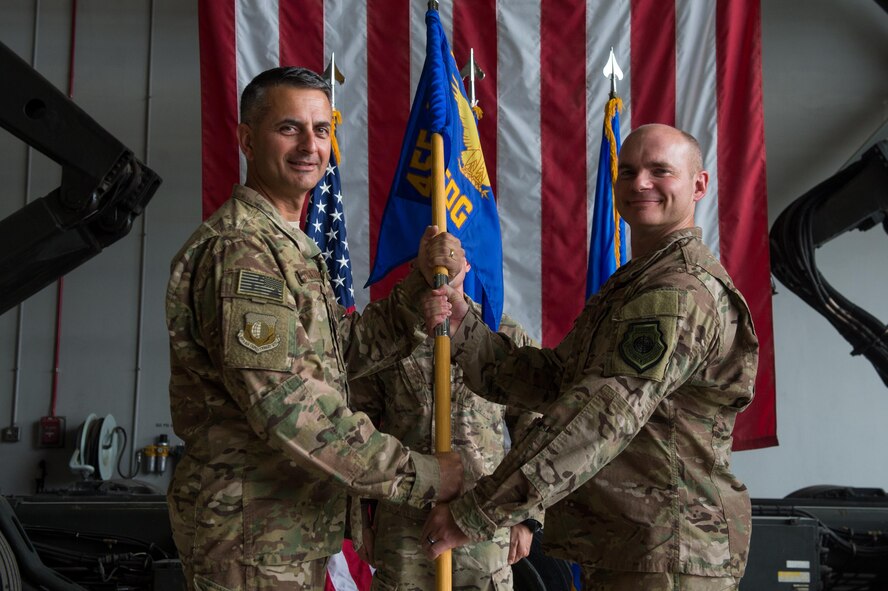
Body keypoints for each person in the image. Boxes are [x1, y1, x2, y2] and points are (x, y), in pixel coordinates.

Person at [420, 124, 759, 590]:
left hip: (669, 555)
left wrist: (478, 513)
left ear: (698, 185)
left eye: (660, 171)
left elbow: (600, 415)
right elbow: (557, 381)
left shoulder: (679, 292)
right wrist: (464, 325)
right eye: (629, 172)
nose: (641, 183)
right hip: (631, 547)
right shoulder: (636, 283)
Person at [166, 66, 465, 591]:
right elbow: (287, 406)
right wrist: (423, 474)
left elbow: (335, 359)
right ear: (246, 139)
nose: (310, 146)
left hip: (285, 527)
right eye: (289, 128)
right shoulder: (241, 250)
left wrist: (417, 295)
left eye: (321, 130)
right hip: (253, 537)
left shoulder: (285, 244)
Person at [348, 259, 543, 591]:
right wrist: (360, 521)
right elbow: (358, 429)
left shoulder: (502, 333)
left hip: (483, 526)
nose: (443, 267)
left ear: (468, 264)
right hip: (404, 528)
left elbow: (534, 427)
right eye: (433, 258)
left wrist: (527, 517)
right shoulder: (390, 335)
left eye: (452, 256)